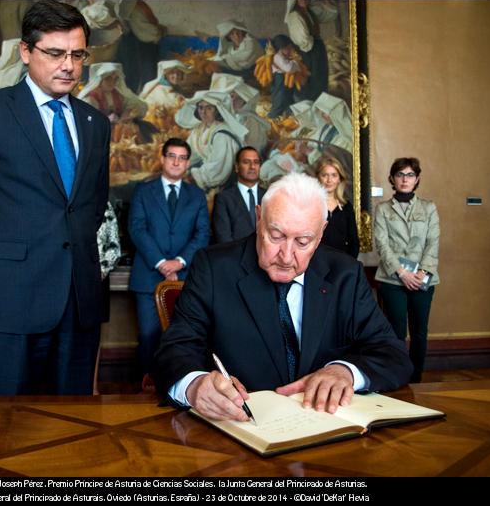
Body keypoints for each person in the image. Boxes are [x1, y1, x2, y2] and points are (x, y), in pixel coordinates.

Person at [0, 0, 111, 395]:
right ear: (25, 51)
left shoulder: (96, 123)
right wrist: (4, 259)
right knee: (5, 431)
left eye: (77, 54)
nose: (68, 65)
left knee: (73, 430)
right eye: (55, 53)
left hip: (79, 302)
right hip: (10, 297)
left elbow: (91, 205)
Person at [154, 173, 412, 421]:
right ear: (258, 218)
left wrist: (345, 372)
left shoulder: (345, 274)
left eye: (303, 241)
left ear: (321, 233)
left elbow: (392, 353)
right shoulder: (213, 267)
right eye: (276, 236)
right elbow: (176, 350)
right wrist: (195, 385)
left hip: (325, 430)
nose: (286, 256)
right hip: (240, 431)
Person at [128, 138, 210, 387]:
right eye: (171, 156)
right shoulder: (143, 192)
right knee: (149, 335)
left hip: (186, 279)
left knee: (182, 337)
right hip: (148, 278)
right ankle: (148, 385)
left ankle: (176, 387)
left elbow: (202, 234)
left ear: (187, 163)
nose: (176, 162)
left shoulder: (197, 196)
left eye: (182, 158)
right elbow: (137, 229)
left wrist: (179, 262)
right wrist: (163, 262)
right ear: (162, 159)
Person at [374, 158, 440, 383]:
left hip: (423, 278)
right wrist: (402, 273)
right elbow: (382, 244)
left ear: (417, 179)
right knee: (397, 331)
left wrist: (423, 271)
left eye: (410, 175)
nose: (405, 179)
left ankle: (416, 377)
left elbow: (433, 241)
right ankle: (399, 375)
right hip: (393, 279)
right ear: (392, 179)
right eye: (400, 174)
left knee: (420, 331)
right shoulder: (382, 209)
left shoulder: (429, 207)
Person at [175, 90, 247, 192]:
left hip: (227, 186)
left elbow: (217, 170)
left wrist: (192, 178)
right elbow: (190, 154)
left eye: (209, 108)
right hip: (208, 179)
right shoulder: (199, 130)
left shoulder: (222, 134)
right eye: (201, 107)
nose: (203, 112)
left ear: (217, 110)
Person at [78, 62, 156, 143]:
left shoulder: (118, 93)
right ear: (100, 80)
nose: (112, 82)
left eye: (115, 79)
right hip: (100, 130)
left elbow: (138, 105)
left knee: (143, 128)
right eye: (108, 79)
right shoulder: (90, 97)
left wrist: (127, 113)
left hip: (120, 127)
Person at [212, 146, 266, 244]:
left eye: (256, 162)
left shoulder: (269, 196)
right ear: (237, 167)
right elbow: (224, 238)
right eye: (246, 162)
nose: (252, 167)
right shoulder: (223, 198)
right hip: (235, 257)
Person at [284, 0, 329, 102]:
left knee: (320, 76)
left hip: (316, 48)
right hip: (305, 50)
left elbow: (328, 15)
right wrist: (313, 43)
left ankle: (320, 102)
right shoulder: (294, 15)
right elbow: (302, 39)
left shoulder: (310, 12)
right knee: (309, 77)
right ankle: (307, 103)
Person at [315, 156, 359, 258]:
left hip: (342, 263)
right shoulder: (312, 205)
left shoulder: (347, 207)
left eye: (334, 175)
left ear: (340, 179)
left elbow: (354, 242)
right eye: (325, 175)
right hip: (316, 264)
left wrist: (348, 265)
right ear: (318, 178)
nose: (329, 180)